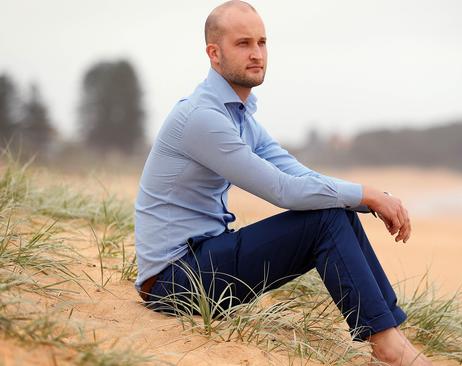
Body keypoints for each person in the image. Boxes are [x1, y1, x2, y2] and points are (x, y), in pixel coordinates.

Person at [134, 1, 431, 365]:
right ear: (214, 53)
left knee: (335, 211)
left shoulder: (239, 117)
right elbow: (283, 191)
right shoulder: (202, 118)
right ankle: (387, 344)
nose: (257, 53)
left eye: (262, 42)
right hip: (173, 283)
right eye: (243, 44)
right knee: (325, 218)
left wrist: (364, 198)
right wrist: (366, 195)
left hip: (201, 262)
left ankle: (391, 333)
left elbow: (297, 173)